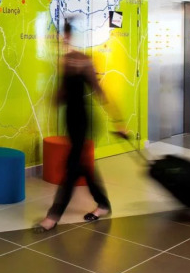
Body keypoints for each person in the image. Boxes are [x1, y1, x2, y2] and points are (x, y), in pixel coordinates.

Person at [34, 19, 126, 232]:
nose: (63, 39)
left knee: (72, 167)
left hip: (84, 121)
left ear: (73, 37)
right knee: (82, 166)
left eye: (66, 35)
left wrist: (119, 122)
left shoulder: (83, 60)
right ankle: (103, 204)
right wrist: (56, 98)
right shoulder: (65, 61)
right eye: (61, 36)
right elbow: (64, 93)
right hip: (71, 121)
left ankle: (53, 216)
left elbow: (99, 91)